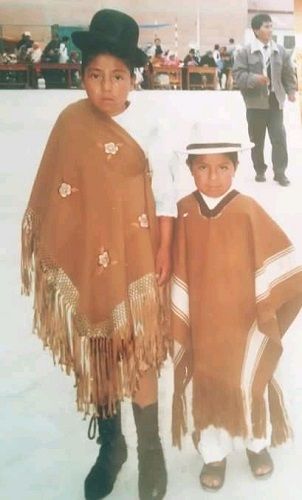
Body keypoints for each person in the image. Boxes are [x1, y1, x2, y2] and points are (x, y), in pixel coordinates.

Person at [21, 9, 176, 500]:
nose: (106, 88)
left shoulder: (152, 123)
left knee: (140, 355)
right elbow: (56, 194)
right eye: (95, 75)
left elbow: (167, 194)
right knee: (101, 352)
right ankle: (113, 448)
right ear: (81, 74)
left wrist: (166, 247)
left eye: (118, 76)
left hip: (138, 261)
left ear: (134, 78)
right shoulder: (72, 123)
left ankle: (150, 450)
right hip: (91, 262)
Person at [171, 135, 302, 492]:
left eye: (223, 167)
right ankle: (213, 454)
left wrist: (267, 308)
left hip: (244, 319)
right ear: (190, 170)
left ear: (236, 169)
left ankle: (256, 442)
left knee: (248, 380)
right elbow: (170, 265)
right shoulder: (182, 211)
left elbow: (283, 263)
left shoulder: (247, 210)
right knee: (206, 382)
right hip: (201, 319)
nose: (213, 176)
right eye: (203, 167)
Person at [233, 13, 297, 186]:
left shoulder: (280, 51)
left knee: (279, 138)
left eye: (271, 26)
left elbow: (288, 74)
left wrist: (291, 91)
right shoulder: (245, 52)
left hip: (276, 102)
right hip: (255, 104)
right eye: (266, 26)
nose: (270, 30)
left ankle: (280, 172)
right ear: (256, 30)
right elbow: (237, 76)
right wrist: (254, 79)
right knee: (257, 140)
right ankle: (260, 170)